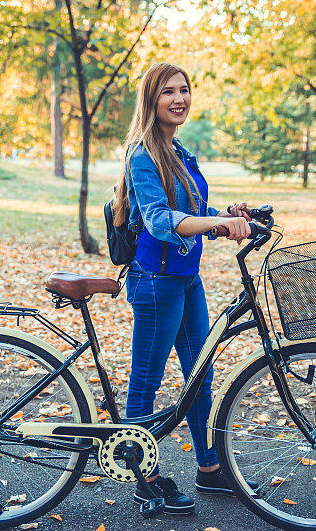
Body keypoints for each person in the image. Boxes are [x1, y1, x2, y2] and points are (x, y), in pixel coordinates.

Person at [111, 62, 257, 514]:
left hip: (187, 279)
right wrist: (215, 222)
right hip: (156, 282)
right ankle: (144, 477)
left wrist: (226, 215)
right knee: (147, 381)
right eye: (169, 92)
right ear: (151, 100)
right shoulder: (143, 154)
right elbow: (158, 219)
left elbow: (189, 208)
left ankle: (209, 469)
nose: (180, 99)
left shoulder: (179, 151)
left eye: (185, 90)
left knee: (200, 376)